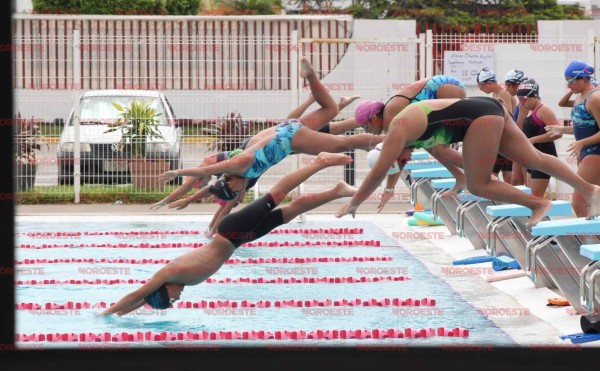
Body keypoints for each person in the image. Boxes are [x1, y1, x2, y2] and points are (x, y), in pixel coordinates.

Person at [100, 152, 357, 316]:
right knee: (288, 213)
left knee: (276, 196)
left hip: (230, 231)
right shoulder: (180, 282)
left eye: (171, 300)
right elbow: (140, 301)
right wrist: (119, 315)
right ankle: (337, 191)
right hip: (238, 239)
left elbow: (137, 294)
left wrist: (105, 313)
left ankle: (320, 162)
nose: (177, 300)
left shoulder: (169, 273)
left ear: (163, 290)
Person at [335, 96, 600, 228]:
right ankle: (591, 191)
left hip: (479, 118)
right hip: (489, 108)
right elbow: (443, 154)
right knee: (534, 158)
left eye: (401, 162)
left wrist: (355, 201)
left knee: (480, 185)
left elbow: (380, 170)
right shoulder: (410, 136)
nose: (406, 162)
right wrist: (460, 176)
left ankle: (539, 203)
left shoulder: (397, 128)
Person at [157, 57, 382, 198]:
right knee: (331, 111)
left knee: (347, 141)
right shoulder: (239, 176)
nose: (239, 196)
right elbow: (211, 183)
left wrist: (178, 173)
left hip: (290, 139)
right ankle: (312, 77)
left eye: (235, 193)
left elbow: (204, 171)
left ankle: (392, 139)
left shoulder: (240, 165)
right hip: (283, 132)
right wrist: (177, 200)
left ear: (231, 181)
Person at [344, 75, 468, 211]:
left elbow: (392, 159)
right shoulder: (390, 120)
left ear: (374, 118)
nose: (369, 131)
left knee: (440, 149)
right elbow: (401, 157)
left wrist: (357, 201)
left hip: (446, 88)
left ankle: (482, 172)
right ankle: (461, 176)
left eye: (366, 127)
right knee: (431, 146)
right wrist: (389, 189)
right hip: (440, 93)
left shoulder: (391, 116)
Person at [546, 60, 600, 217]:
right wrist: (562, 129)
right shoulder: (581, 98)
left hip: (595, 154)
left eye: (571, 81)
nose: (569, 86)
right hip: (586, 153)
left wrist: (581, 143)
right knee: (592, 202)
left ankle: (590, 240)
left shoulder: (595, 98)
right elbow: (585, 127)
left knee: (579, 202)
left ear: (583, 78)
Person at [516, 79, 561, 198]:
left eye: (523, 99)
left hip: (545, 158)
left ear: (534, 96)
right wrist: (521, 113)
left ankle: (539, 216)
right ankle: (538, 217)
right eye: (519, 99)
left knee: (536, 197)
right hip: (534, 158)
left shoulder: (544, 110)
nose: (521, 102)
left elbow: (557, 133)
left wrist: (534, 140)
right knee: (532, 196)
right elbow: (519, 130)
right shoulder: (530, 111)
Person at [476, 67, 514, 184]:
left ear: (490, 82)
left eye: (481, 86)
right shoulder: (496, 93)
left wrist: (502, 106)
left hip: (505, 138)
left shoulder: (503, 93)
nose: (481, 89)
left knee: (497, 173)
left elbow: (511, 118)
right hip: (500, 138)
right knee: (505, 172)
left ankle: (504, 197)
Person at [504, 68, 529, 185]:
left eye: (508, 85)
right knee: (516, 182)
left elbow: (520, 125)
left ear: (518, 84)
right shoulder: (520, 100)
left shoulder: (525, 101)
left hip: (525, 144)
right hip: (521, 143)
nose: (506, 88)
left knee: (529, 184)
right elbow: (514, 121)